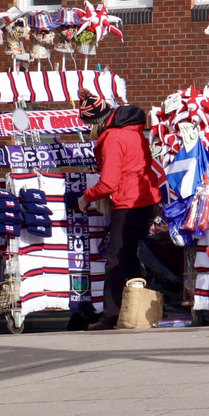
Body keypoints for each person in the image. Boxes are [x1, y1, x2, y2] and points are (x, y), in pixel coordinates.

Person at [76, 90, 162, 330]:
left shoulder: (112, 138)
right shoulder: (131, 130)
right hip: (146, 200)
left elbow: (109, 183)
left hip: (130, 203)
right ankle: (136, 312)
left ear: (95, 124)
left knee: (115, 259)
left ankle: (111, 316)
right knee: (132, 256)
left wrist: (85, 197)